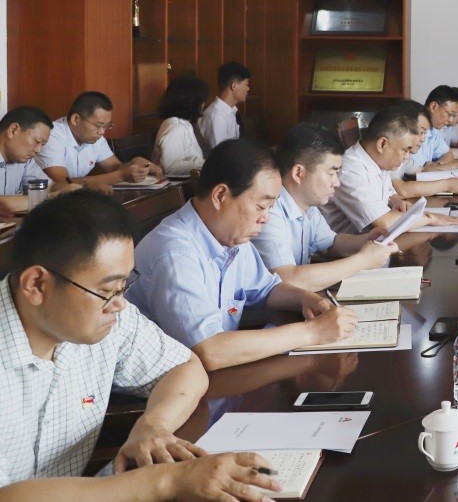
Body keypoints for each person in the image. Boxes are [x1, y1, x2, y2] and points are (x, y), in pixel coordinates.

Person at [0, 190, 280, 500]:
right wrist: (166, 481)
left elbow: (185, 367)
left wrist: (154, 425)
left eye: (123, 286)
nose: (119, 304)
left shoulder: (105, 318)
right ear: (37, 285)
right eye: (107, 289)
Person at [126, 140, 358, 371]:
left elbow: (265, 288)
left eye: (270, 208)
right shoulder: (175, 253)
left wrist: (305, 298)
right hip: (171, 383)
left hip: (218, 371)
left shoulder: (230, 235)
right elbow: (208, 350)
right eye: (261, 206)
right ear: (220, 196)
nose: (265, 219)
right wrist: (312, 332)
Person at [253, 123, 400, 293]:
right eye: (331, 173)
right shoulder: (269, 212)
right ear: (299, 173)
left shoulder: (308, 205)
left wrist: (368, 240)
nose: (337, 182)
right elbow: (287, 279)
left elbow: (330, 244)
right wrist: (362, 261)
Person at [323, 107, 458, 235]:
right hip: (347, 248)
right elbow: (384, 223)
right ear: (382, 144)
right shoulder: (350, 170)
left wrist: (397, 202)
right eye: (405, 150)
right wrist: (431, 218)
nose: (407, 157)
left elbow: (388, 192)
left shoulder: (377, 160)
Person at [36, 92, 162, 192]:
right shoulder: (51, 136)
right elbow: (63, 183)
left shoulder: (95, 136)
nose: (102, 132)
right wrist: (121, 175)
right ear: (75, 119)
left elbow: (114, 167)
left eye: (107, 126)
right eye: (98, 125)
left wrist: (134, 163)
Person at [393, 99, 458, 202]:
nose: (423, 139)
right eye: (421, 132)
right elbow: (402, 190)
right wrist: (447, 184)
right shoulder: (390, 155)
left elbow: (423, 171)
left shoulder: (405, 156)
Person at [0, 106, 76, 217]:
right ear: (13, 130)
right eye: (37, 141)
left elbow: (49, 187)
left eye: (42, 145)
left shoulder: (24, 161)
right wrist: (52, 197)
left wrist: (73, 189)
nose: (38, 149)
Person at [151, 76, 209, 177]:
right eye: (201, 101)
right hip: (175, 184)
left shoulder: (184, 124)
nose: (204, 104)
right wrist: (206, 165)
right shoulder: (175, 128)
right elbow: (171, 167)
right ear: (191, 102)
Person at [198, 62, 250, 152]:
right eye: (246, 84)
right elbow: (221, 155)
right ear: (234, 86)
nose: (248, 89)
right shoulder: (217, 116)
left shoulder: (228, 111)